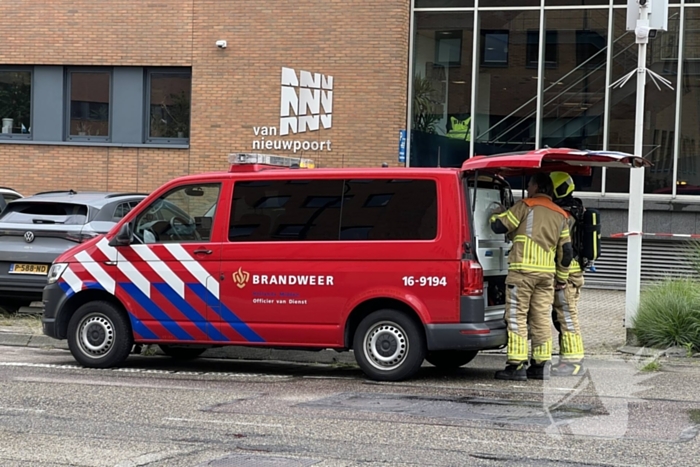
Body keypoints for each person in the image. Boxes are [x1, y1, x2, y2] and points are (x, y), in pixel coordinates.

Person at [489, 173, 573, 381]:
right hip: (546, 276)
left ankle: (516, 365)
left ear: (536, 186)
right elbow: (567, 251)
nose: (528, 188)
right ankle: (541, 364)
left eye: (529, 184)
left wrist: (494, 214)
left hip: (522, 272)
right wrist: (561, 279)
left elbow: (499, 226)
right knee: (541, 318)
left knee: (517, 316)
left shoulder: (525, 206)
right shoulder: (561, 215)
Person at [549, 171, 586, 376]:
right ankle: (567, 359)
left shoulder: (565, 215)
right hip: (574, 271)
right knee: (561, 317)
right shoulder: (576, 209)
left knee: (566, 317)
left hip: (567, 273)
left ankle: (573, 363)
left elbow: (563, 248)